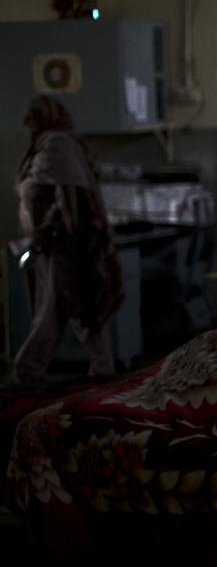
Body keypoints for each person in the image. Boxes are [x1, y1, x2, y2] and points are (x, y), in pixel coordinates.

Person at [10, 96, 124, 387]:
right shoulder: (43, 145)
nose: (27, 121)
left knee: (67, 310)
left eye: (34, 115)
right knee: (67, 311)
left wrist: (45, 232)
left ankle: (27, 373)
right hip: (52, 246)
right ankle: (101, 370)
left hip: (66, 246)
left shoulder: (57, 146)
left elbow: (69, 201)